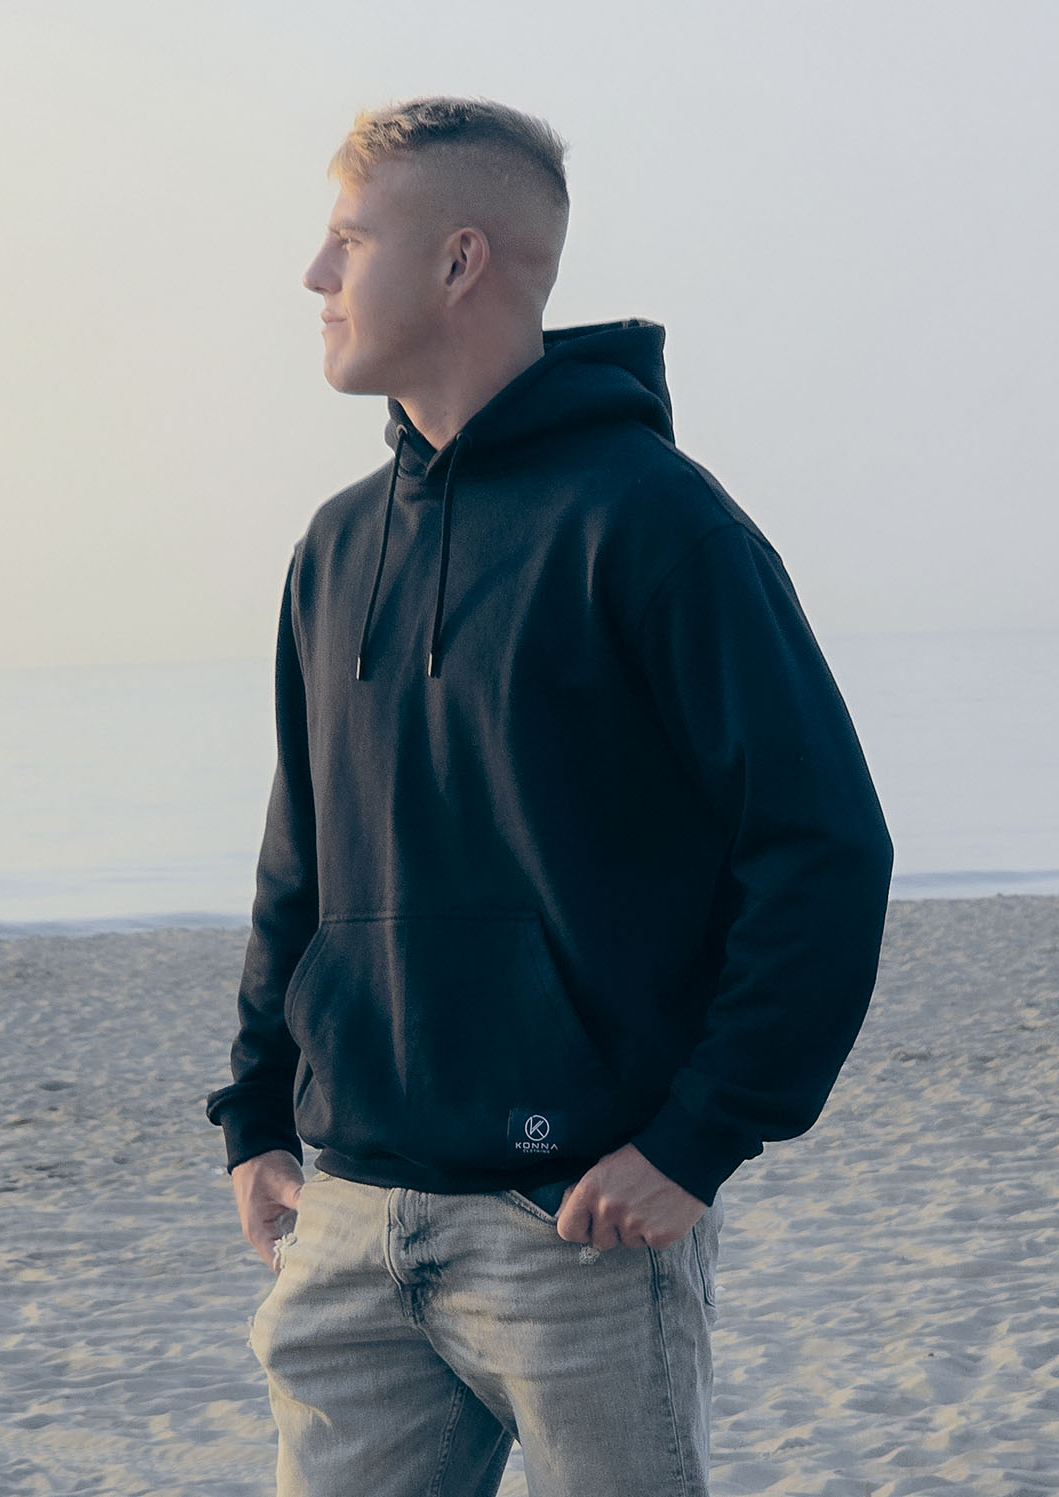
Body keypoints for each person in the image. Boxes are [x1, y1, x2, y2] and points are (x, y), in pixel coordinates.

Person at [207, 96, 893, 1496]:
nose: (315, 275)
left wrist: (700, 1137)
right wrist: (258, 1113)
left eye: (349, 239)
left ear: (460, 261)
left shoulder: (656, 524)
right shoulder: (336, 548)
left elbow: (822, 848)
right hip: (348, 1220)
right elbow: (303, 860)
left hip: (572, 1225)